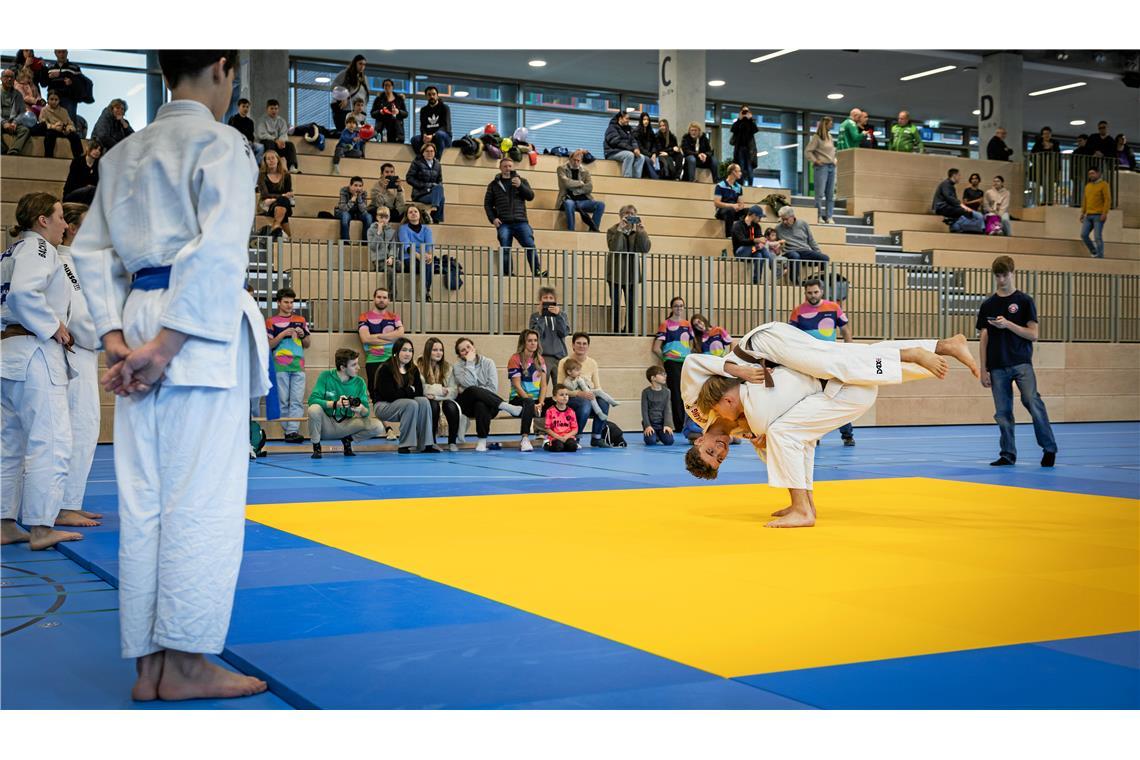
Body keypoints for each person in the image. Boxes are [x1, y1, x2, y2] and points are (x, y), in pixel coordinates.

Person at [69, 50, 272, 700]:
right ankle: (184, 663)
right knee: (200, 500)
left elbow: (91, 251)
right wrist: (168, 344)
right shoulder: (222, 144)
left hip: (136, 324)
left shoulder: (124, 153)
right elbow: (218, 249)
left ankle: (149, 663)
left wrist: (116, 340)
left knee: (145, 501)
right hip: (194, 337)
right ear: (221, 66)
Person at [682, 329, 972, 528]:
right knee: (848, 358)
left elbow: (692, 363)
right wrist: (763, 441)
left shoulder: (697, 408)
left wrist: (738, 371)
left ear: (698, 442)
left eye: (710, 450)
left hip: (761, 345)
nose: (719, 449)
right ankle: (942, 346)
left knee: (832, 362)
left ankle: (911, 354)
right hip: (779, 361)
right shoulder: (738, 431)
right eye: (719, 457)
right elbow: (778, 441)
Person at [1, 192, 82, 550]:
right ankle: (40, 527)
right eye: (61, 216)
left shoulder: (10, 252)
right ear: (42, 220)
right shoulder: (39, 249)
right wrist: (53, 326)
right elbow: (23, 294)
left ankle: (5, 523)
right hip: (34, 350)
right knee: (50, 440)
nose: (65, 224)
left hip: (8, 348)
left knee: (9, 444)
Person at [977, 256, 1057, 467]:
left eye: (1005, 275)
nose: (1001, 279)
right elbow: (984, 338)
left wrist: (1008, 325)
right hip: (996, 365)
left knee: (1032, 401)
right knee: (1002, 412)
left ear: (1012, 273)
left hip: (1021, 363)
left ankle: (1049, 448)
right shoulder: (988, 304)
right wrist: (983, 369)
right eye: (998, 275)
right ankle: (1007, 454)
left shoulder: (1024, 301)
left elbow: (1033, 334)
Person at [54, 202, 105, 528]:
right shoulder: (64, 263)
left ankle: (66, 502)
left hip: (80, 353)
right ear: (73, 228)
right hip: (74, 353)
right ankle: (63, 505)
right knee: (80, 429)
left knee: (80, 429)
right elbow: (83, 320)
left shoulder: (75, 263)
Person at [789, 278, 856, 446]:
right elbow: (791, 337)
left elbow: (845, 330)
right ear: (805, 293)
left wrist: (850, 351)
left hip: (830, 360)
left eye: (815, 292)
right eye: (809, 293)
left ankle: (847, 435)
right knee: (810, 397)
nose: (812, 295)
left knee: (836, 396)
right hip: (808, 362)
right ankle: (813, 436)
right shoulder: (798, 311)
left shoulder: (834, 308)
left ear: (822, 291)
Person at [307, 347, 384, 458]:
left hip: (347, 424)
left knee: (378, 426)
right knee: (313, 409)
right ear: (342, 367)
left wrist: (361, 409)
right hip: (327, 424)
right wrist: (334, 404)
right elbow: (312, 400)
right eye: (354, 365)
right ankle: (317, 447)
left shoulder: (359, 382)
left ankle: (348, 441)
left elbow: (366, 412)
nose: (358, 368)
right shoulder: (326, 376)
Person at [452, 337, 524, 452]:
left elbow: (493, 389)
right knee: (472, 390)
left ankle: (482, 441)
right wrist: (469, 363)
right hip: (467, 406)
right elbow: (470, 385)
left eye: (468, 347)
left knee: (481, 403)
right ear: (460, 355)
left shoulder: (488, 363)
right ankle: (506, 406)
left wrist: (474, 390)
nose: (467, 351)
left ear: (474, 347)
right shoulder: (457, 367)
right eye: (463, 350)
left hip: (490, 405)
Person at [371, 337, 439, 454]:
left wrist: (405, 391)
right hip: (383, 405)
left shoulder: (413, 369)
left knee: (423, 401)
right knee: (411, 403)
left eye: (410, 350)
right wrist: (409, 390)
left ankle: (426, 444)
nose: (408, 354)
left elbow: (418, 392)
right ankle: (405, 445)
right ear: (396, 352)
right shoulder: (386, 368)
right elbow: (389, 395)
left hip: (403, 403)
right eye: (404, 350)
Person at [485, 157, 546, 276]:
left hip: (521, 221)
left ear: (513, 167)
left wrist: (520, 186)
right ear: (500, 168)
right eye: (505, 166)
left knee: (530, 245)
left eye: (510, 166)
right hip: (504, 223)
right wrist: (493, 219)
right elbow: (487, 204)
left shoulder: (521, 181)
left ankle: (537, 271)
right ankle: (507, 273)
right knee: (505, 248)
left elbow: (530, 196)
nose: (508, 168)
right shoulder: (493, 185)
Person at [266, 287, 310, 444]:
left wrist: (302, 334)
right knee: (283, 400)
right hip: (280, 366)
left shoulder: (300, 320)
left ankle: (292, 431)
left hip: (298, 365)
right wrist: (283, 334)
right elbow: (269, 344)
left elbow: (307, 343)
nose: (289, 305)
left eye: (292, 302)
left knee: (297, 400)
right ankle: (289, 431)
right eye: (286, 302)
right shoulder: (271, 321)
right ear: (278, 303)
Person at [557, 332, 612, 447]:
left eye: (584, 344)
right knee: (585, 403)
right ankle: (576, 437)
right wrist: (578, 393)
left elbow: (597, 386)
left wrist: (594, 394)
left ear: (588, 346)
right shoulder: (564, 362)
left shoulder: (592, 363)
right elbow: (560, 389)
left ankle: (596, 438)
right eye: (578, 343)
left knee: (604, 402)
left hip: (589, 395)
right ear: (573, 345)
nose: (581, 346)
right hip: (570, 398)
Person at [606, 205, 648, 333]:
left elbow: (645, 249)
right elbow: (615, 248)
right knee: (616, 305)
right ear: (620, 215)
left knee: (631, 305)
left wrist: (642, 233)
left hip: (632, 274)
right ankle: (615, 330)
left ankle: (629, 330)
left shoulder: (637, 231)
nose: (629, 216)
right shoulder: (612, 230)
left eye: (632, 213)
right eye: (626, 213)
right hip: (615, 274)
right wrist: (620, 230)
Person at [653, 296, 693, 430]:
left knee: (686, 392)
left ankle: (688, 423)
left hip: (686, 362)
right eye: (676, 305)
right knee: (675, 393)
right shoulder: (666, 324)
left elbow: (691, 343)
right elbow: (656, 348)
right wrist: (666, 358)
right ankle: (678, 424)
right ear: (672, 307)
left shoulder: (687, 324)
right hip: (672, 362)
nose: (679, 308)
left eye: (681, 305)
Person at [417, 337, 464, 451]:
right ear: (428, 351)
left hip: (441, 398)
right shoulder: (418, 366)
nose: (439, 353)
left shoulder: (447, 367)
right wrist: (439, 390)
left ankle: (452, 442)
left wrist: (436, 395)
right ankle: (431, 441)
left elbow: (453, 390)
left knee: (451, 406)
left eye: (441, 350)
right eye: (435, 350)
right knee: (432, 405)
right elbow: (420, 388)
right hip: (425, 400)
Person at [357, 287, 404, 394]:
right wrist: (390, 339)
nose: (381, 300)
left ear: (388, 300)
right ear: (374, 299)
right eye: (379, 297)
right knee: (375, 392)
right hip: (373, 359)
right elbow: (365, 339)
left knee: (394, 391)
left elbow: (400, 335)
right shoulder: (364, 317)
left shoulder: (394, 317)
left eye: (384, 297)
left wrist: (376, 337)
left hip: (392, 360)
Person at [506, 329, 545, 451]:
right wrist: (532, 403)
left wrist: (541, 402)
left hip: (535, 400)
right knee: (528, 402)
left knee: (557, 402)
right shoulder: (515, 359)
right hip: (519, 399)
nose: (533, 343)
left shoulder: (540, 359)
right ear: (524, 342)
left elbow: (544, 385)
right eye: (530, 341)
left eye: (535, 340)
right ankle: (525, 438)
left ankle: (561, 437)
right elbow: (517, 386)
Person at [529, 286, 569, 394]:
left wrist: (559, 315)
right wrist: (541, 317)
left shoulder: (562, 315)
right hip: (543, 356)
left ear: (555, 300)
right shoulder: (535, 316)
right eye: (545, 297)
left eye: (551, 298)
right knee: (541, 388)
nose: (548, 300)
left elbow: (564, 333)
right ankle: (540, 409)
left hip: (560, 357)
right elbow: (535, 335)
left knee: (561, 390)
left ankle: (559, 411)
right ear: (540, 300)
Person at [775, 206, 830, 281]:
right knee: (795, 256)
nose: (784, 222)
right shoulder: (778, 228)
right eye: (782, 219)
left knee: (825, 258)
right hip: (789, 251)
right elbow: (775, 242)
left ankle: (822, 281)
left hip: (804, 250)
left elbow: (811, 240)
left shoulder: (803, 224)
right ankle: (794, 281)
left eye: (786, 219)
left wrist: (818, 252)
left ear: (792, 217)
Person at [557, 149, 605, 232]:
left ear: (581, 161)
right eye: (574, 160)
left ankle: (593, 230)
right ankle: (571, 230)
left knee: (601, 205)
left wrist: (575, 191)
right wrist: (580, 183)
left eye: (578, 161)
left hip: (583, 201)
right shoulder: (561, 169)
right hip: (567, 199)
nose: (576, 162)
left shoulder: (585, 171)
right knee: (569, 203)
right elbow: (566, 183)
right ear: (570, 159)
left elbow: (589, 188)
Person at [396, 205, 435, 300]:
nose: (413, 213)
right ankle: (425, 291)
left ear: (419, 214)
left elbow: (429, 245)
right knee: (423, 264)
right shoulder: (403, 228)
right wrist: (419, 256)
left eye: (415, 211)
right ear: (407, 216)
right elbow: (407, 246)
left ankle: (426, 290)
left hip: (423, 258)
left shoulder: (426, 229)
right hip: (408, 257)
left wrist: (430, 256)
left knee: (428, 264)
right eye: (410, 212)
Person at [30, 90, 83, 158]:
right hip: (51, 129)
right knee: (50, 134)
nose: (54, 102)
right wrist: (53, 127)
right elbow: (42, 122)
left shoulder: (64, 111)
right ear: (48, 100)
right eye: (51, 99)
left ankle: (79, 157)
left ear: (59, 100)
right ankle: (48, 156)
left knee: (75, 136)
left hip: (62, 130)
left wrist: (68, 129)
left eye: (56, 99)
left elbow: (70, 124)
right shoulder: (44, 110)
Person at [37, 50, 85, 124]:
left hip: (68, 99)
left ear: (67, 52)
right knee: (51, 125)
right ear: (55, 53)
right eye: (59, 52)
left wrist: (71, 82)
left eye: (63, 52)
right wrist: (43, 68)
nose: (62, 54)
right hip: (53, 98)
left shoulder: (74, 67)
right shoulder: (50, 67)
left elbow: (81, 84)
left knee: (68, 124)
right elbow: (44, 84)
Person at [806, 116, 837, 224]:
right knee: (819, 194)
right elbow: (808, 151)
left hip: (831, 166)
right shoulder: (817, 137)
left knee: (830, 194)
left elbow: (832, 151)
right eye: (831, 123)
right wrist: (815, 160)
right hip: (822, 167)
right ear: (826, 124)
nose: (832, 125)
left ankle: (829, 216)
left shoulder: (830, 136)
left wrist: (834, 159)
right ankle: (818, 215)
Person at [254, 99, 299, 173]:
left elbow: (284, 133)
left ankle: (291, 166)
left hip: (278, 143)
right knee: (269, 143)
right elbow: (262, 135)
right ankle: (271, 166)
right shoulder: (262, 120)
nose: (274, 111)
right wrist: (275, 140)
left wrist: (281, 141)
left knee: (290, 145)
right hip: (267, 142)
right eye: (271, 108)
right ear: (267, 109)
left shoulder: (281, 121)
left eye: (276, 108)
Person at [257, 149, 293, 240]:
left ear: (278, 160)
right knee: (283, 202)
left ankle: (275, 226)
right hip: (266, 204)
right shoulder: (262, 176)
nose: (271, 160)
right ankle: (287, 236)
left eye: (273, 158)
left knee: (283, 201)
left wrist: (276, 198)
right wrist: (282, 196)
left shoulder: (286, 175)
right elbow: (265, 195)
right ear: (265, 162)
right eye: (268, 159)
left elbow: (288, 193)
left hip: (277, 202)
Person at [406, 141, 445, 223]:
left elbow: (440, 180)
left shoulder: (437, 164)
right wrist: (426, 185)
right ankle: (436, 217)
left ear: (434, 153)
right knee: (441, 198)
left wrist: (435, 187)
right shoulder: (417, 163)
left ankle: (435, 216)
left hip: (432, 193)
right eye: (427, 151)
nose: (430, 153)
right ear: (423, 153)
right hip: (420, 194)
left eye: (432, 151)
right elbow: (409, 178)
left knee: (439, 189)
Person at [731, 204, 770, 285]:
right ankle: (773, 266)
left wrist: (762, 241)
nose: (760, 219)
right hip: (741, 253)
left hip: (753, 250)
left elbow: (759, 237)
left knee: (759, 255)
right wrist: (756, 241)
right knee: (760, 249)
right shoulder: (738, 225)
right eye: (759, 217)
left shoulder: (756, 226)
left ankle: (756, 281)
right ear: (753, 215)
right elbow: (742, 241)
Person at [330, 55, 369, 133]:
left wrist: (363, 111)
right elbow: (333, 87)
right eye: (360, 63)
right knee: (344, 134)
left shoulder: (364, 78)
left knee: (356, 135)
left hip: (358, 112)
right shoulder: (345, 74)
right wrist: (343, 97)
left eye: (364, 64)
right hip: (344, 111)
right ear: (355, 64)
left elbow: (364, 96)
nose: (362, 66)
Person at [1080, 166, 1111, 259]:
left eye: (1093, 173)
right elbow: (1085, 200)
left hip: (1098, 215)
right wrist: (1082, 212)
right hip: (1088, 215)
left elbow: (1107, 199)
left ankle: (1100, 255)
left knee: (1097, 236)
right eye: (1089, 174)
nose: (1091, 175)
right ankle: (1094, 251)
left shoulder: (1104, 184)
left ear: (1098, 174)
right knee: (1084, 235)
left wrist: (1105, 213)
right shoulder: (1088, 186)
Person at [410, 85, 452, 154]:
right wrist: (424, 135)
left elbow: (446, 127)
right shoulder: (424, 110)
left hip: (444, 137)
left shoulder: (444, 107)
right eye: (429, 95)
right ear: (426, 97)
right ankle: (422, 160)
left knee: (439, 134)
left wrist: (433, 135)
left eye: (433, 94)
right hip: (429, 137)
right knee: (414, 139)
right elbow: (422, 126)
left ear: (437, 96)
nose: (431, 96)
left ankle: (436, 162)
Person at [603, 111, 645, 178]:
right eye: (626, 118)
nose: (628, 120)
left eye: (629, 119)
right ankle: (627, 178)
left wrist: (636, 148)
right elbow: (616, 142)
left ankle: (636, 179)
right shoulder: (612, 128)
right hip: (612, 152)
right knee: (629, 155)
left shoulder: (629, 129)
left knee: (641, 157)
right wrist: (632, 149)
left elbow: (633, 140)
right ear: (620, 119)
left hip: (625, 151)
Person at [641, 366, 675, 446]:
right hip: (651, 424)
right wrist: (647, 426)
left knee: (669, 441)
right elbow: (644, 411)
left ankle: (659, 435)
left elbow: (668, 409)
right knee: (651, 441)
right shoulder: (646, 392)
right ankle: (655, 435)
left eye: (665, 374)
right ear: (653, 378)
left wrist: (667, 425)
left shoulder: (667, 392)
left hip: (662, 424)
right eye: (662, 374)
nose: (665, 376)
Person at [713, 163, 749, 238]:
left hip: (734, 211)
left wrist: (740, 207)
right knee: (730, 210)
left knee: (749, 211)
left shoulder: (738, 187)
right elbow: (717, 203)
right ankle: (729, 235)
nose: (740, 173)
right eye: (739, 171)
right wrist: (732, 205)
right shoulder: (720, 185)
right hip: (723, 211)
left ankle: (745, 234)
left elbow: (741, 202)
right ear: (733, 172)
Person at [2, 67, 32, 155]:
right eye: (6, 77)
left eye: (12, 77)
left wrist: (15, 122)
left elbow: (22, 112)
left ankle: (13, 151)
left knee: (25, 130)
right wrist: (4, 123)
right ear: (1, 78)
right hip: (1, 122)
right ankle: (2, 149)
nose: (9, 79)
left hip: (12, 123)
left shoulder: (18, 94)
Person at [63, 138, 102, 204]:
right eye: (95, 148)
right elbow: (71, 183)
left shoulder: (99, 164)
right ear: (88, 148)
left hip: (90, 194)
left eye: (99, 150)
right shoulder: (77, 161)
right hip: (72, 193)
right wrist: (86, 187)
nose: (97, 151)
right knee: (91, 190)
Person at [543, 385, 579, 452]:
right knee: (558, 447)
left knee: (573, 447)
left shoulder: (571, 412)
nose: (565, 396)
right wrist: (559, 437)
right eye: (562, 395)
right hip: (555, 437)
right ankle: (547, 445)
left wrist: (566, 437)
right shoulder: (550, 411)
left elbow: (575, 429)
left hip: (567, 437)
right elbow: (547, 429)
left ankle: (564, 446)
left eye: (566, 394)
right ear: (554, 398)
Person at [336, 175, 372, 241]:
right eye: (355, 185)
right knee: (345, 216)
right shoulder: (344, 191)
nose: (358, 188)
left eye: (360, 186)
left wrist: (359, 198)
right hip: (345, 212)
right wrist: (353, 199)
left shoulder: (363, 193)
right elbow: (343, 209)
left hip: (357, 213)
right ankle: (345, 241)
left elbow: (363, 210)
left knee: (368, 217)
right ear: (350, 185)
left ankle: (365, 242)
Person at [370, 78, 407, 143]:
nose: (387, 87)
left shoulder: (399, 99)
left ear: (392, 87)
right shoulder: (378, 99)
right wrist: (380, 112)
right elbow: (372, 114)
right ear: (383, 87)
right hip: (381, 128)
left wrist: (398, 111)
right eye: (385, 85)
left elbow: (406, 114)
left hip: (396, 130)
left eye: (389, 85)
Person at [227, 97, 263, 163]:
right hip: (237, 142)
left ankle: (255, 165)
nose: (245, 109)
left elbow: (251, 135)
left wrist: (251, 141)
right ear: (239, 107)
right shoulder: (233, 119)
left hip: (248, 143)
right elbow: (230, 134)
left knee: (260, 147)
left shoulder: (250, 121)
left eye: (247, 107)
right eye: (243, 106)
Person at [730, 106, 759, 185]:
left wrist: (750, 119)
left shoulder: (751, 122)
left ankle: (750, 185)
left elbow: (755, 130)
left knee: (750, 168)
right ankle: (741, 185)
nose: (745, 113)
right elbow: (733, 129)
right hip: (740, 148)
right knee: (741, 167)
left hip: (750, 149)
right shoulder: (739, 122)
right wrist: (739, 119)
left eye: (746, 111)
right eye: (743, 111)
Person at [367, 206, 400, 271]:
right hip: (378, 260)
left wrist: (391, 257)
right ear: (377, 217)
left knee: (400, 266)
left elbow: (393, 246)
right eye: (381, 217)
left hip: (389, 259)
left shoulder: (391, 231)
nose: (383, 220)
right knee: (390, 270)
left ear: (389, 218)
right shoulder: (371, 230)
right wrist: (378, 233)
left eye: (386, 217)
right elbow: (373, 247)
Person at [635, 112, 661, 179]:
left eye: (647, 120)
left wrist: (654, 153)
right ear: (641, 120)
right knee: (647, 159)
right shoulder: (636, 131)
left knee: (659, 160)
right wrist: (650, 155)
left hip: (650, 154)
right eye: (644, 119)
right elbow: (639, 147)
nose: (646, 121)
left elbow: (655, 144)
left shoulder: (651, 131)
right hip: (641, 154)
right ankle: (656, 178)